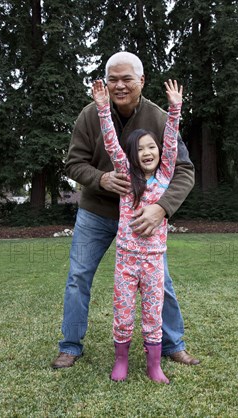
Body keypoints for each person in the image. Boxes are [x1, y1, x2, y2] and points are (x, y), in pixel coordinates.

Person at [51, 51, 199, 369]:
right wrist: (101, 178)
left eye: (127, 79)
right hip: (95, 210)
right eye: (113, 79)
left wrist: (162, 207)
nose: (119, 86)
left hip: (142, 218)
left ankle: (173, 344)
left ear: (141, 81)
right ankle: (70, 346)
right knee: (78, 277)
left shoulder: (159, 118)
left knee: (162, 282)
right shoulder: (91, 115)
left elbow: (184, 169)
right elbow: (73, 163)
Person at [91, 78, 183, 383]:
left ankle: (154, 364)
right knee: (123, 313)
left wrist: (174, 109)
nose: (147, 152)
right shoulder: (127, 180)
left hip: (154, 261)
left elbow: (171, 142)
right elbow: (111, 145)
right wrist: (104, 110)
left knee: (152, 315)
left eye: (151, 147)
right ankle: (121, 361)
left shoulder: (165, 177)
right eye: (140, 148)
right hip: (127, 261)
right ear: (132, 156)